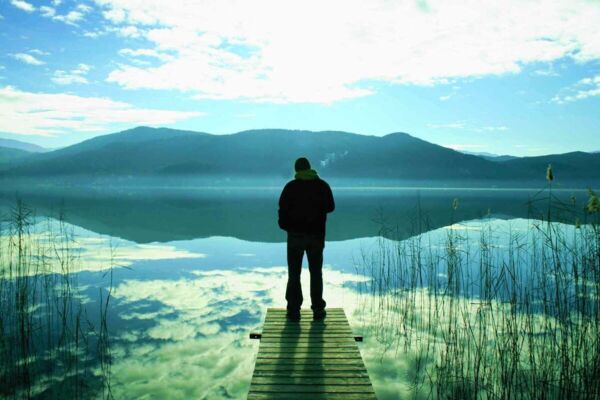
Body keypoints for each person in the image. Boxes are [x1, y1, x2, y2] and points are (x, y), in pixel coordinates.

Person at [278, 157, 335, 321]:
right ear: (309, 168)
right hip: (316, 236)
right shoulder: (322, 186)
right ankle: (318, 309)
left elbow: (282, 210)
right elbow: (331, 207)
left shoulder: (290, 187)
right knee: (316, 273)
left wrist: (285, 226)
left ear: (296, 170)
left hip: (295, 237)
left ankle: (294, 310)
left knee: (294, 274)